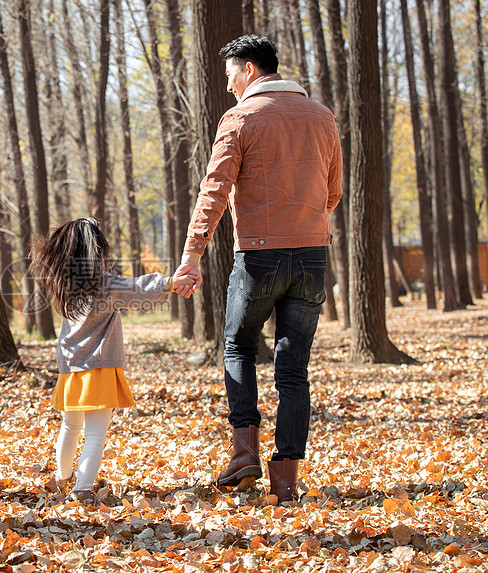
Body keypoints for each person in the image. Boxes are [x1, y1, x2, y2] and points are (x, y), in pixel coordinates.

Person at [173, 35, 342, 502]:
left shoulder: (241, 118)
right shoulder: (323, 116)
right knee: (293, 369)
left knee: (237, 345)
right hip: (312, 255)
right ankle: (285, 479)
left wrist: (192, 257)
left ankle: (244, 452)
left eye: (229, 73)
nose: (227, 84)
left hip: (259, 255)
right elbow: (333, 193)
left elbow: (214, 192)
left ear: (249, 69)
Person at [31, 218, 194, 504]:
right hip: (99, 368)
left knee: (70, 427)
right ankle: (82, 488)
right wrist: (169, 283)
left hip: (70, 370)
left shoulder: (62, 285)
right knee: (94, 433)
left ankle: (62, 477)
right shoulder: (104, 285)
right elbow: (137, 288)